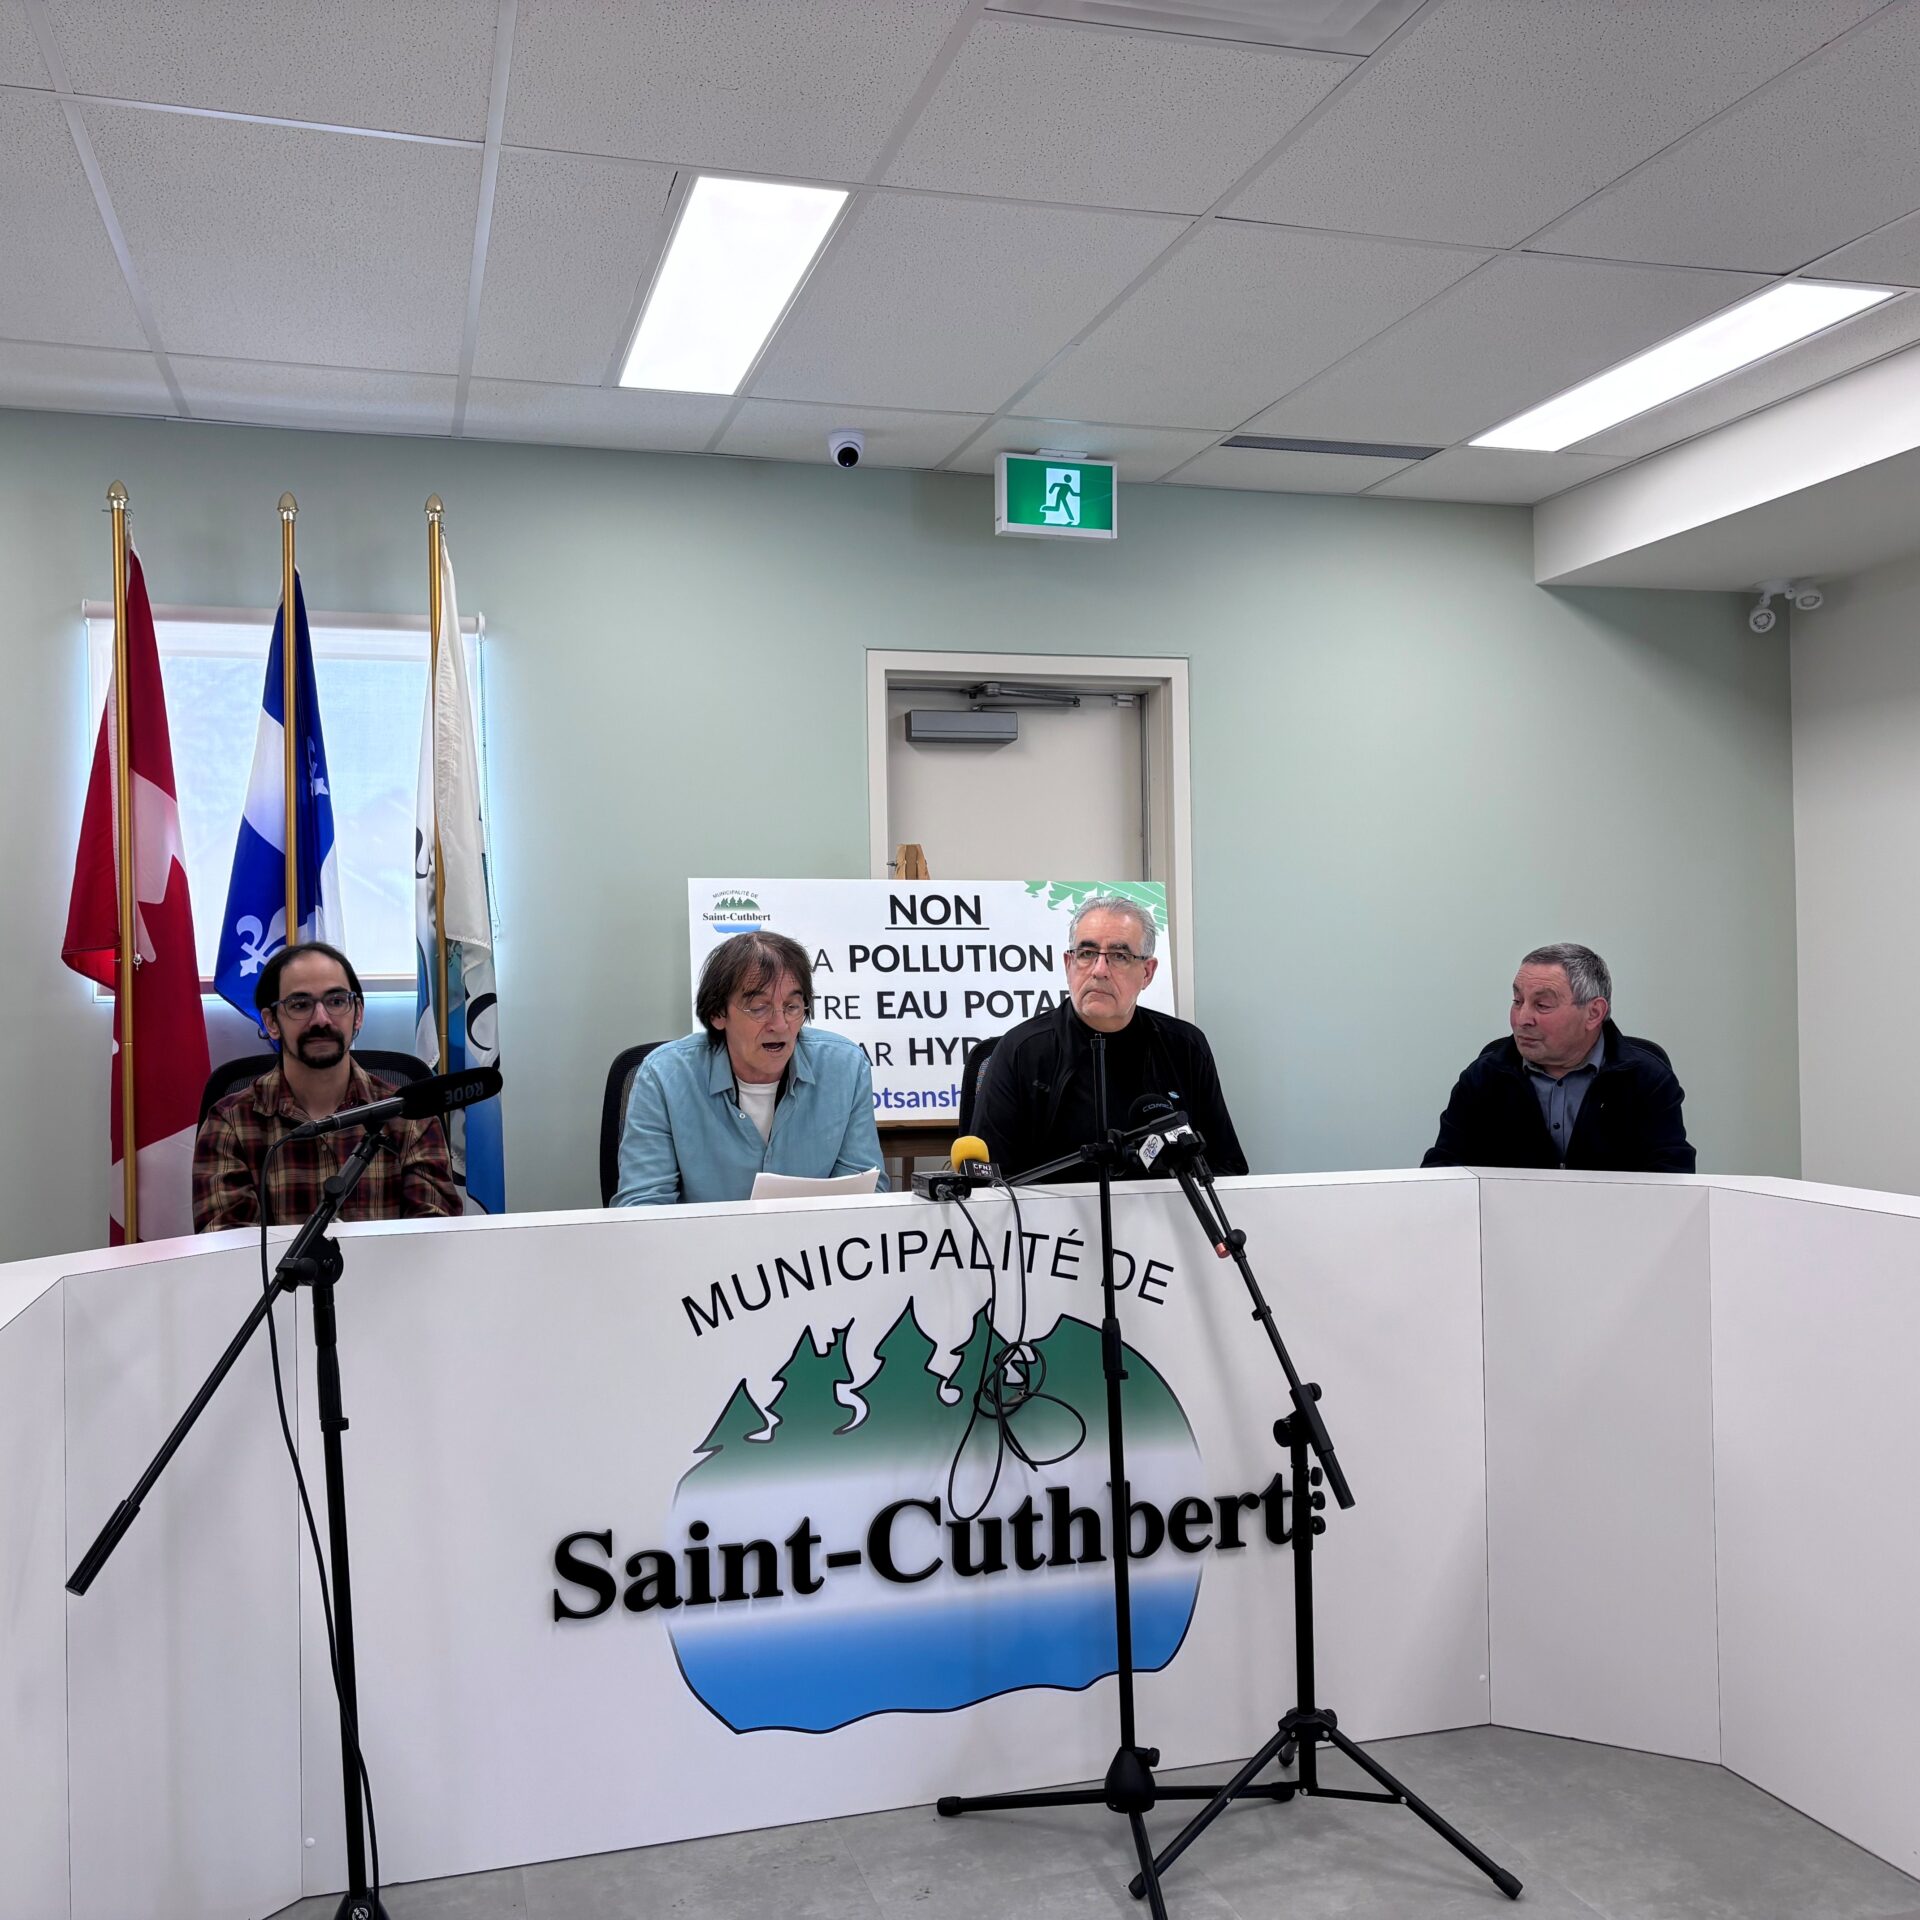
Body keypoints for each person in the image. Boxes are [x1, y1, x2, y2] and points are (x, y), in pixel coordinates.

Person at [970, 894, 1247, 1183]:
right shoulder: (1021, 1051)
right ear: (1069, 964)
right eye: (1087, 953)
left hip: (1163, 1221)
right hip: (1054, 1225)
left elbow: (1228, 1169)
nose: (1099, 971)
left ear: (1147, 973)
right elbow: (988, 1183)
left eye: (1119, 956)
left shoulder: (1184, 1046)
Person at [192, 940, 460, 1230]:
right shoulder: (230, 1123)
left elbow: (434, 1242)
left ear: (357, 1013)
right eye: (300, 1005)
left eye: (336, 1001)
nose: (321, 1019)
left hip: (391, 1276)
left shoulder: (411, 1116)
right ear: (271, 1022)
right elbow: (228, 1255)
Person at [614, 931, 886, 1206]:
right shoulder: (664, 1076)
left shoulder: (845, 1068)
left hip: (813, 1246)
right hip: (706, 1245)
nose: (780, 1025)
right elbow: (643, 1206)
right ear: (718, 1014)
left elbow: (866, 1191)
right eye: (759, 1008)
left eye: (792, 1006)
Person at [1422, 943, 1695, 1172]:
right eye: (1517, 1001)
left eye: (1542, 1005)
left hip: (1616, 1228)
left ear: (1594, 1013)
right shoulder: (1486, 1076)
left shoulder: (1646, 1079)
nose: (1522, 1019)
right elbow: (1443, 1172)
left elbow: (1673, 1179)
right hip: (1513, 1230)